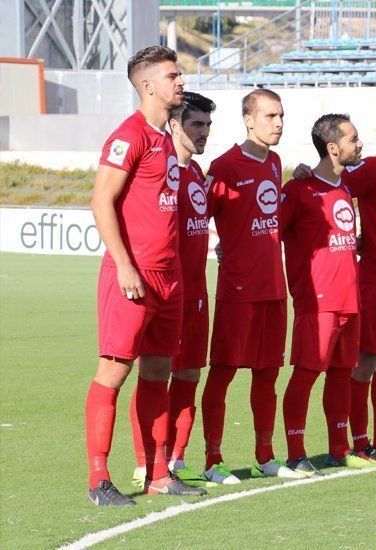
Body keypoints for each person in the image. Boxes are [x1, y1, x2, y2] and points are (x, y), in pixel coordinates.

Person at [86, 45, 205, 505]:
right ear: (148, 85)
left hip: (169, 279)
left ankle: (157, 472)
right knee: (114, 372)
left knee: (158, 373)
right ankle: (98, 479)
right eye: (173, 75)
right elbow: (101, 202)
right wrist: (123, 264)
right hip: (133, 277)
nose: (181, 81)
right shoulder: (129, 134)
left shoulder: (164, 139)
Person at [201, 89, 293, 484]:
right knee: (222, 373)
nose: (278, 123)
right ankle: (212, 460)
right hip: (238, 289)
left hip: (274, 287)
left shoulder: (274, 162)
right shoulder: (223, 167)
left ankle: (265, 456)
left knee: (267, 375)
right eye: (270, 116)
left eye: (281, 116)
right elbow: (194, 214)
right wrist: (226, 246)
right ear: (248, 119)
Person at [131, 91, 217, 488]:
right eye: (197, 124)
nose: (205, 132)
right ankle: (147, 460)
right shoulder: (165, 173)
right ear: (175, 125)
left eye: (208, 124)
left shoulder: (198, 174)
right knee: (157, 375)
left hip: (198, 294)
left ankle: (177, 459)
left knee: (188, 376)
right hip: (169, 292)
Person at [278, 114, 364, 474]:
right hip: (317, 300)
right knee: (307, 374)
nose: (359, 144)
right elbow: (270, 234)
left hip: (350, 297)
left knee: (342, 374)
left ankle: (338, 449)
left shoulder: (344, 186)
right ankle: (296, 453)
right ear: (333, 148)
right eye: (353, 139)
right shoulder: (297, 190)